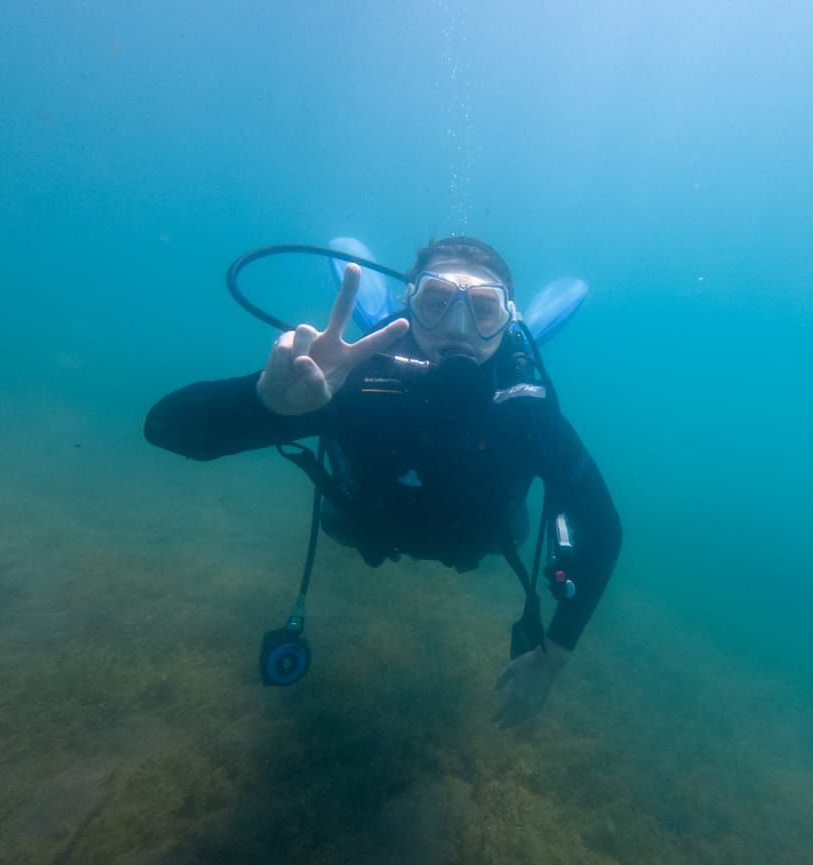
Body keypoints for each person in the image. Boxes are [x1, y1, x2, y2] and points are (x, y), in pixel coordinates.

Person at [144, 237, 621, 723]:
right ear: (410, 306)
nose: (457, 328)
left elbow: (603, 528)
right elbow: (164, 428)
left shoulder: (525, 412)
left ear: (504, 320)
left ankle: (508, 324)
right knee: (343, 519)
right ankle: (403, 318)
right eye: (435, 302)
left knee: (512, 528)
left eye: (482, 309)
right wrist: (264, 401)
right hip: (363, 523)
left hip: (478, 535)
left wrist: (553, 655)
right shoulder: (346, 384)